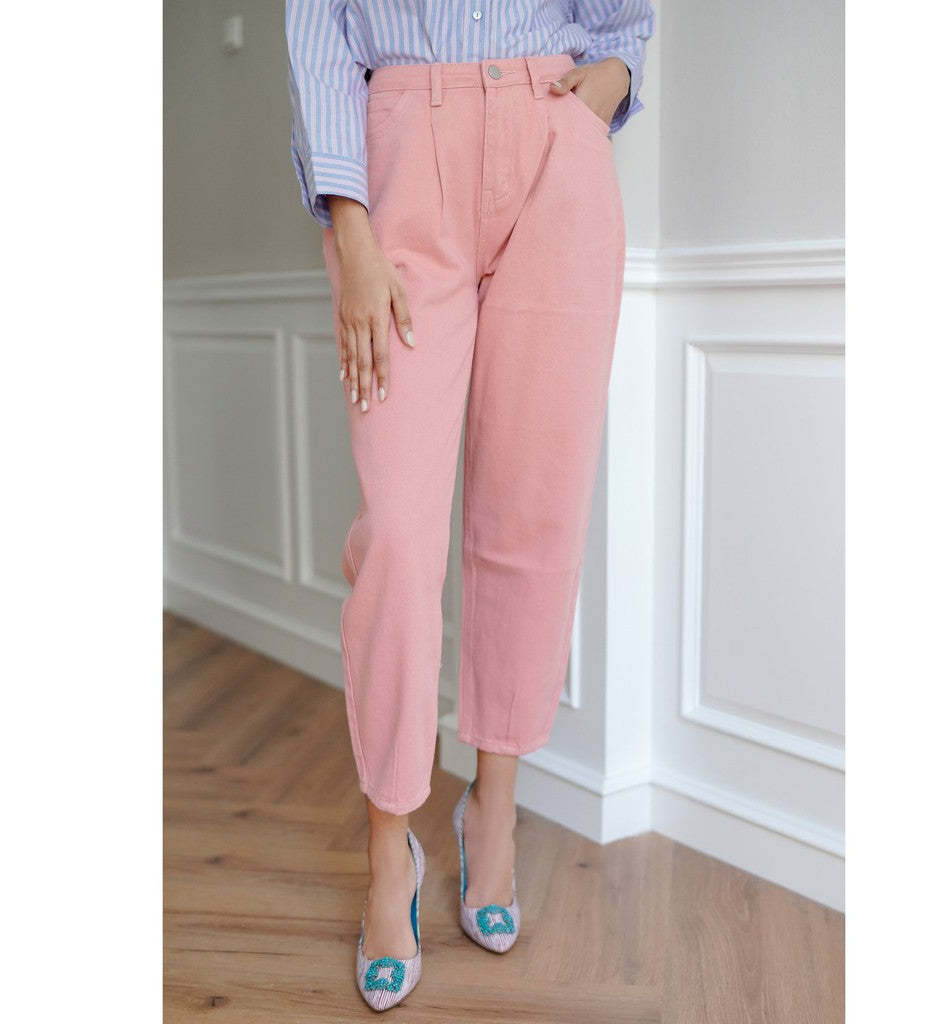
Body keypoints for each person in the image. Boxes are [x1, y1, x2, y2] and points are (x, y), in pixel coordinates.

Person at [285, 0, 655, 1011]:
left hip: (555, 145)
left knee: (533, 515)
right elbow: (318, 35)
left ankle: (493, 812)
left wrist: (613, 79)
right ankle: (388, 850)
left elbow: (622, 17)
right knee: (400, 537)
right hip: (403, 154)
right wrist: (350, 225)